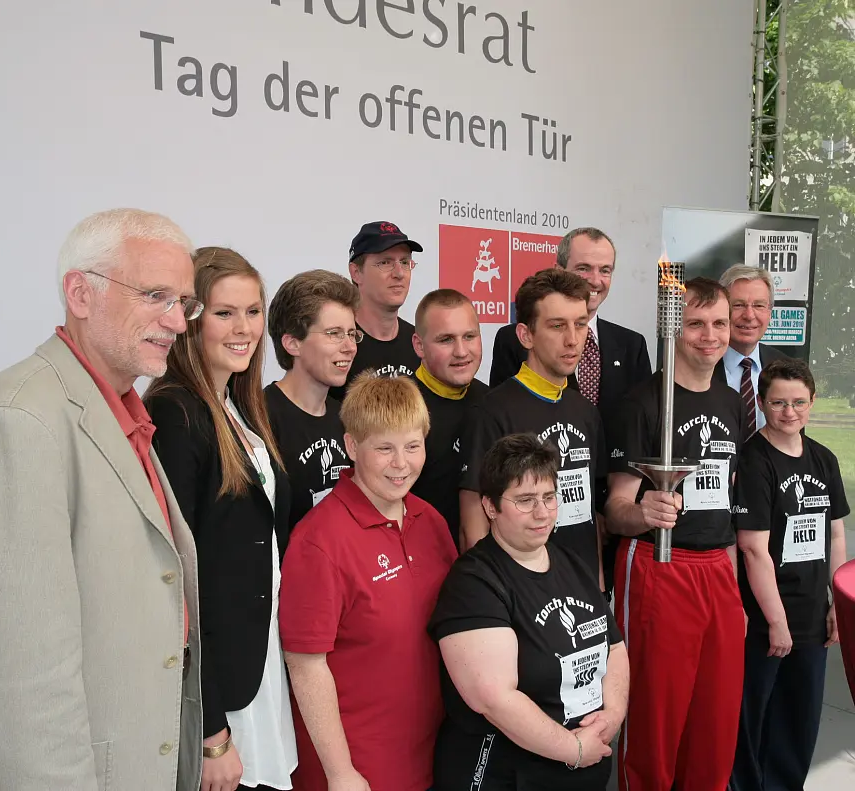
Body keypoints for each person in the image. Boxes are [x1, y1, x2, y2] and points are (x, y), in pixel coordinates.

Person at [0, 209, 204, 791]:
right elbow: (19, 682)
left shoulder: (123, 416)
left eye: (183, 302)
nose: (177, 322)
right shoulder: (17, 423)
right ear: (80, 293)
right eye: (156, 295)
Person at [145, 247, 296, 791]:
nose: (244, 328)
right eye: (224, 312)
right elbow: (178, 581)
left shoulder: (236, 403)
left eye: (253, 311)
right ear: (190, 319)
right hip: (220, 691)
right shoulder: (176, 412)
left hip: (256, 664)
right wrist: (211, 733)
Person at [279, 374, 457, 791]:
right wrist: (341, 774)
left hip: (431, 754)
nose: (401, 463)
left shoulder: (430, 521)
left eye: (413, 446)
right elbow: (305, 667)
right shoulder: (318, 541)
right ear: (352, 446)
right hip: (358, 767)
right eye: (384, 448)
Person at [606, 277, 746, 791]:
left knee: (715, 722)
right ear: (673, 329)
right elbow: (616, 508)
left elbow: (726, 504)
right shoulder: (642, 403)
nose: (709, 336)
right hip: (659, 566)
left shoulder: (732, 403)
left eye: (719, 323)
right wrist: (644, 511)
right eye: (694, 324)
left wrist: (732, 591)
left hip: (717, 573)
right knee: (655, 723)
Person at [429, 433, 628, 790]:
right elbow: (494, 699)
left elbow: (613, 647)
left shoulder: (572, 562)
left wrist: (612, 716)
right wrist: (573, 748)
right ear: (490, 506)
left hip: (583, 764)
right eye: (524, 501)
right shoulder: (474, 582)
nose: (542, 513)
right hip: (508, 773)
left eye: (549, 497)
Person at [730, 359, 849, 791]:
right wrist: (777, 621)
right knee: (753, 714)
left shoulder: (824, 458)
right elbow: (752, 549)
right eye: (778, 402)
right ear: (762, 404)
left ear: (812, 402)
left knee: (800, 717)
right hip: (766, 616)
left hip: (814, 613)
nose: (789, 412)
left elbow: (835, 534)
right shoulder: (754, 461)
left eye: (799, 402)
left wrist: (837, 603)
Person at [460, 269, 606, 586]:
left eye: (580, 324)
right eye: (557, 326)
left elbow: (589, 514)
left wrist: (599, 588)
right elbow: (473, 520)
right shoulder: (492, 411)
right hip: (520, 591)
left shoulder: (585, 411)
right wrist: (493, 596)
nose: (572, 339)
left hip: (581, 587)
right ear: (526, 335)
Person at [488, 227, 652, 426]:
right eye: (584, 268)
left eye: (605, 270)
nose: (595, 280)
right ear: (559, 270)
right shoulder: (513, 340)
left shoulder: (632, 345)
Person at [266, 270, 359, 530]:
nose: (349, 347)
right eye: (334, 333)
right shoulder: (258, 418)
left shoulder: (348, 417)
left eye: (352, 334)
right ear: (292, 343)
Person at [410, 289, 489, 547]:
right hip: (418, 567)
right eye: (446, 340)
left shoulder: (492, 401)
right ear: (419, 345)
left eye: (470, 336)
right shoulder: (397, 409)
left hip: (483, 568)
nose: (461, 351)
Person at [329, 221, 422, 400]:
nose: (399, 273)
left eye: (404, 262)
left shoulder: (419, 342)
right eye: (385, 262)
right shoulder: (336, 344)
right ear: (356, 272)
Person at [715, 265, 789, 435]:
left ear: (770, 312)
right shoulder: (697, 367)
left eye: (759, 305)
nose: (749, 315)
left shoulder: (786, 368)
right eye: (739, 305)